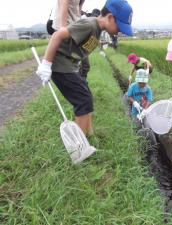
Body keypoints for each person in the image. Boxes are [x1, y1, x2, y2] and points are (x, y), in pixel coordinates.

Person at [36, 0, 133, 135]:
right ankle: (80, 143)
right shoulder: (89, 24)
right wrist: (46, 64)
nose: (119, 31)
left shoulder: (97, 30)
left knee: (86, 97)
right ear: (110, 17)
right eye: (119, 26)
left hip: (71, 66)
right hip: (61, 65)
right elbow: (57, 35)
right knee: (82, 100)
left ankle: (89, 134)